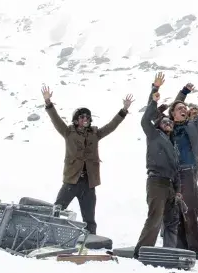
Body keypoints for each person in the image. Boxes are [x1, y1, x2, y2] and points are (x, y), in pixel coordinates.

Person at [40, 84, 133, 236]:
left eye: (88, 117)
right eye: (82, 116)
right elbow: (55, 119)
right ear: (76, 120)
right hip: (71, 181)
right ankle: (46, 235)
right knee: (57, 210)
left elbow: (111, 126)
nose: (86, 119)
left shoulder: (95, 134)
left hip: (89, 183)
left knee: (89, 218)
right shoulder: (68, 132)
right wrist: (48, 103)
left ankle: (90, 241)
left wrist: (124, 110)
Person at [135, 72, 183, 257]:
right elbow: (145, 119)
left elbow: (176, 170)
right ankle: (142, 252)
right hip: (156, 182)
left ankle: (169, 252)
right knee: (155, 218)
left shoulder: (173, 145)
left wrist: (178, 190)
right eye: (165, 121)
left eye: (170, 122)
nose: (169, 122)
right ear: (159, 125)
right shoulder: (154, 135)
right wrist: (155, 92)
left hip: (170, 184)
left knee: (172, 220)